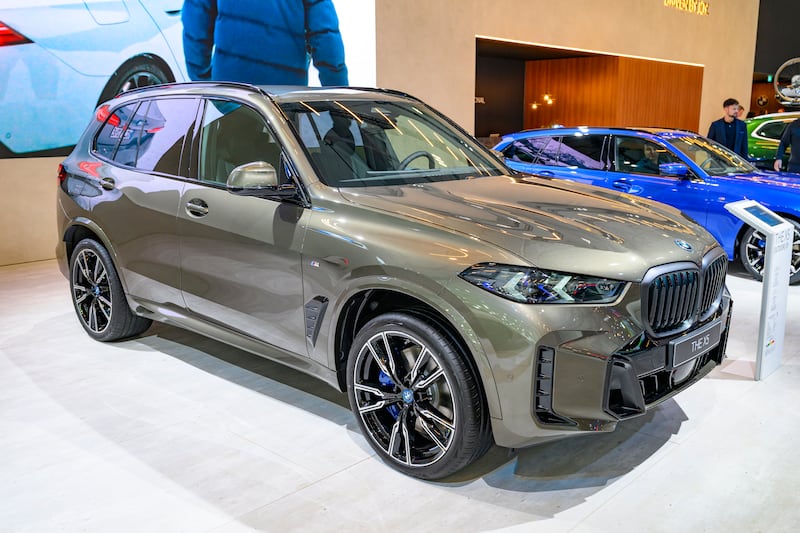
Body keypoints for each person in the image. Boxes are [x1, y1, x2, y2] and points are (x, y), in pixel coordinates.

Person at [182, 0, 348, 86]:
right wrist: (338, 98)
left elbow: (195, 24)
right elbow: (325, 34)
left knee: (230, 149)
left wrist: (203, 80)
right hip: (284, 96)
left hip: (232, 93)